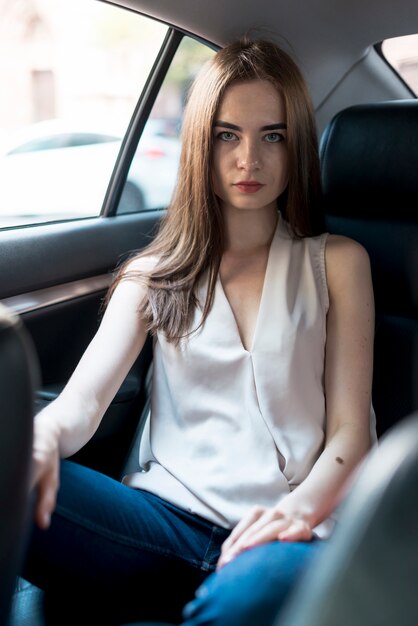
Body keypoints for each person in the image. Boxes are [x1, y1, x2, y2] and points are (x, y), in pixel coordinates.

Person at [22, 37, 376, 626]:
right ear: (199, 146)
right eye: (227, 136)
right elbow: (81, 404)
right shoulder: (150, 276)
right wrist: (36, 439)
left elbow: (349, 432)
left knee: (249, 597)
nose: (249, 161)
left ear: (296, 149)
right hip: (160, 523)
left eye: (273, 136)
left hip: (285, 529)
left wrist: (300, 513)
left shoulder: (337, 263)